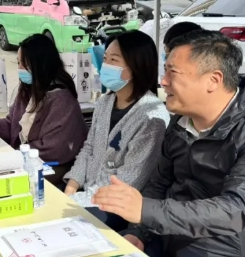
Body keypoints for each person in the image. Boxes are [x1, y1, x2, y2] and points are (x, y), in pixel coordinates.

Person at [92, 30, 245, 257]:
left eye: (173, 73)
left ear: (213, 80)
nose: (163, 81)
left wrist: (144, 210)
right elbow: (159, 184)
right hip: (171, 245)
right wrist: (138, 233)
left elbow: (234, 210)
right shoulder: (180, 124)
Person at [64, 31, 169, 232]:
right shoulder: (104, 102)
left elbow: (130, 179)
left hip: (114, 205)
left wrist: (77, 199)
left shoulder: (152, 117)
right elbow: (89, 148)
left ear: (136, 66)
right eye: (105, 59)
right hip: (85, 193)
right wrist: (71, 188)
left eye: (114, 60)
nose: (106, 66)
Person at [0, 34, 87, 189]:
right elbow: (12, 126)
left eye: (24, 64)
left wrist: (14, 155)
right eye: (18, 63)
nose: (20, 69)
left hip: (52, 167)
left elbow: (54, 148)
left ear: (40, 64)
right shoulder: (28, 90)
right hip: (25, 160)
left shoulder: (61, 99)